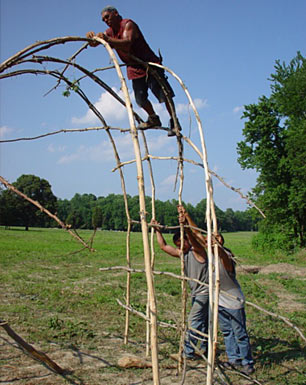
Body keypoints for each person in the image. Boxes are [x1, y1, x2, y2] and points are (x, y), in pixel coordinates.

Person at [86, 6, 181, 136]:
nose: (106, 21)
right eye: (103, 20)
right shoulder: (109, 32)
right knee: (140, 99)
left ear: (115, 14)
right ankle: (153, 118)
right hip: (134, 68)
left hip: (149, 65)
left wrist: (106, 39)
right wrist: (91, 38)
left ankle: (174, 122)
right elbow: (96, 42)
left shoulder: (128, 25)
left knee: (164, 95)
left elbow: (126, 43)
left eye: (107, 17)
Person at [151, 205, 209, 359]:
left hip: (204, 293)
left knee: (193, 321)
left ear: (187, 241)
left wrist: (185, 226)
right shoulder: (183, 254)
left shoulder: (198, 251)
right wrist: (157, 230)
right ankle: (206, 349)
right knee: (203, 322)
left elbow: (195, 237)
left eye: (182, 243)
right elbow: (163, 246)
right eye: (178, 245)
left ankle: (187, 352)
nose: (180, 247)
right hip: (196, 294)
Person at [214, 234, 255, 375]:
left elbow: (223, 256)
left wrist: (218, 245)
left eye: (219, 238)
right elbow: (197, 238)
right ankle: (234, 359)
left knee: (240, 334)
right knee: (227, 332)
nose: (216, 240)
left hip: (234, 302)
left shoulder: (227, 258)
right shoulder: (211, 257)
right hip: (219, 302)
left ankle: (247, 362)